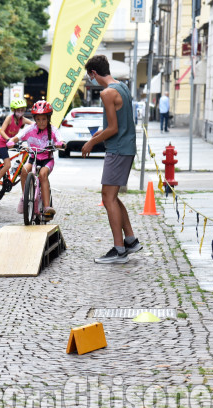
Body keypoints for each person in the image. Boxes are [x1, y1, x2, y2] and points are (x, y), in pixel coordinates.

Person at [81, 54, 142, 264]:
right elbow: (115, 126)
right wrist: (96, 137)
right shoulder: (122, 87)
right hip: (126, 148)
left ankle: (119, 250)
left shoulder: (107, 93)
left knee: (107, 198)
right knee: (113, 197)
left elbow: (113, 128)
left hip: (117, 150)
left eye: (91, 77)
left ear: (94, 73)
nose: (92, 80)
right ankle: (131, 240)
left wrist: (91, 143)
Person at [6, 100, 64, 220]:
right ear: (34, 119)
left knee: (43, 175)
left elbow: (60, 140)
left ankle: (47, 207)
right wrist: (12, 141)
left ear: (48, 118)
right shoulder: (30, 128)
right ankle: (24, 198)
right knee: (24, 170)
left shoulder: (53, 130)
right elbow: (19, 136)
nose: (41, 122)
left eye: (43, 119)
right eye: (38, 119)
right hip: (33, 158)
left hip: (47, 159)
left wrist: (60, 143)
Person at [0, 99, 33, 193]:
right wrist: (8, 139)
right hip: (2, 144)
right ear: (14, 110)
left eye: (22, 110)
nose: (20, 112)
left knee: (27, 150)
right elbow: (1, 131)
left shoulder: (22, 120)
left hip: (12, 143)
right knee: (7, 165)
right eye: (18, 110)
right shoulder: (9, 118)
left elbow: (33, 124)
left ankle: (19, 169)